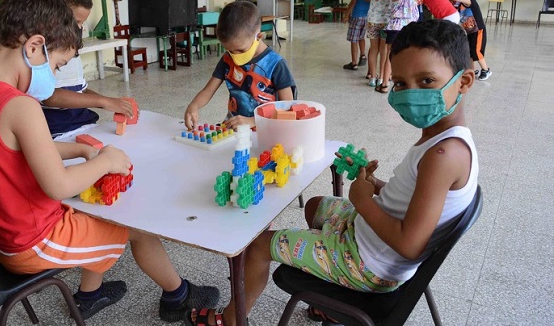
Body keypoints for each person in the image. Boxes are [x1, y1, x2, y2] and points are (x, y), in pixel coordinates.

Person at [183, 19, 478, 326]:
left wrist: (362, 199)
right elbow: (417, 198)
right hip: (371, 238)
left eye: (427, 81)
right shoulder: (444, 139)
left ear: (465, 81)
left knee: (257, 245)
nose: (409, 93)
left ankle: (230, 320)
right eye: (401, 83)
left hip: (370, 264)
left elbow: (410, 244)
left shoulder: (444, 155)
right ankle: (329, 300)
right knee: (314, 206)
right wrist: (376, 185)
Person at [0, 0, 219, 321]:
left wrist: (80, 151)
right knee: (136, 224)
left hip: (0, 237)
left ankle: (91, 293)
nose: (52, 76)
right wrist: (107, 161)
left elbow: (19, 151)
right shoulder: (20, 106)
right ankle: (179, 296)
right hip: (34, 242)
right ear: (35, 46)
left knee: (99, 207)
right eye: (56, 66)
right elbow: (59, 187)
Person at [41, 0, 134, 138]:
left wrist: (110, 102)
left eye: (81, 24)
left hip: (84, 124)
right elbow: (50, 96)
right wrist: (103, 102)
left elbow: (79, 90)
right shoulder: (47, 53)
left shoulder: (69, 48)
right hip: (59, 131)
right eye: (76, 22)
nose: (79, 29)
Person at [184, 0, 296, 130]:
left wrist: (253, 121)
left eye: (241, 50)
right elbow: (208, 91)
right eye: (229, 50)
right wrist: (193, 106)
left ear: (259, 36)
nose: (234, 55)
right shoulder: (228, 59)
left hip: (265, 132)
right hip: (234, 131)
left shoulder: (276, 64)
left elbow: (288, 108)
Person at [372, 0, 424, 93]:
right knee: (410, 55)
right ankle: (409, 84)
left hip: (395, 26)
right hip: (412, 27)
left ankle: (384, 84)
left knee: (390, 55)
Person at [357, 0, 398, 88]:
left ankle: (372, 78)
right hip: (388, 20)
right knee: (384, 50)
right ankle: (382, 78)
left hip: (373, 18)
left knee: (373, 49)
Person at [442, 0, 492, 80]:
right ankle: (472, 70)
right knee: (469, 52)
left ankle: (486, 70)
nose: (452, 0)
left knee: (477, 51)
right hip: (469, 31)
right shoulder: (459, 4)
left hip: (478, 30)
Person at [342, 0, 370, 71]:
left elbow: (353, 2)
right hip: (366, 16)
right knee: (361, 37)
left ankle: (354, 63)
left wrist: (346, 15)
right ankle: (363, 55)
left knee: (354, 40)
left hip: (357, 16)